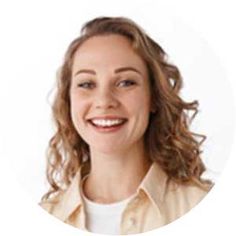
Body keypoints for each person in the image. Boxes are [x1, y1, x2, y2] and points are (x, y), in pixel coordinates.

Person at [39, 16, 213, 235]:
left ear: (154, 98)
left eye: (126, 82)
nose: (104, 101)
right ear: (69, 100)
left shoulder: (204, 206)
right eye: (87, 84)